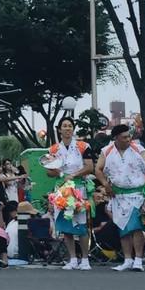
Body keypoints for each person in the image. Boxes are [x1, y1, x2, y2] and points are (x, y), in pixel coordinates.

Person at [95, 124, 145, 272]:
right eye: (124, 137)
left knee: (135, 227)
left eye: (129, 136)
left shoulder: (138, 149)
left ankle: (138, 260)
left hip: (136, 194)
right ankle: (127, 259)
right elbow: (97, 169)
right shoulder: (107, 151)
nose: (128, 139)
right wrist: (105, 184)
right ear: (116, 138)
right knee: (123, 228)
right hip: (118, 195)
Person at [46, 116, 94, 270]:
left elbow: (89, 167)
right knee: (65, 225)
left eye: (70, 126)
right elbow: (49, 171)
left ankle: (85, 259)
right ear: (59, 130)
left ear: (73, 129)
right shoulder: (53, 149)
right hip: (61, 190)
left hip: (78, 188)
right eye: (64, 126)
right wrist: (61, 174)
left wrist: (74, 175)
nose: (67, 128)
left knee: (81, 224)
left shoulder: (83, 146)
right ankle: (72, 259)